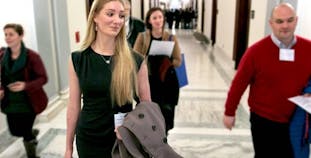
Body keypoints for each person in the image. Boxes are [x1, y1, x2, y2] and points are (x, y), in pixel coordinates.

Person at [223, 3, 311, 158]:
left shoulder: (308, 49)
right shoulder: (256, 51)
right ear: (271, 23)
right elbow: (239, 84)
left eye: (290, 20)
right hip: (264, 119)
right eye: (279, 21)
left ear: (296, 21)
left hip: (296, 120)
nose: (285, 25)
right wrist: (230, 112)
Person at [64, 0, 151, 157]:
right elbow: (73, 107)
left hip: (123, 140)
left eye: (121, 15)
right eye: (110, 14)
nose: (117, 21)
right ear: (95, 16)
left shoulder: (135, 60)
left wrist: (132, 126)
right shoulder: (78, 59)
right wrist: (68, 147)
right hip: (88, 140)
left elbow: (146, 107)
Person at [0, 23, 48, 158]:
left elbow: (43, 78)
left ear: (20, 36)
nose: (7, 38)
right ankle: (32, 134)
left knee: (25, 132)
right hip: (10, 102)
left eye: (11, 34)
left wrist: (25, 85)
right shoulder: (2, 55)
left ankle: (32, 153)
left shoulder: (32, 56)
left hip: (28, 102)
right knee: (15, 131)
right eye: (5, 34)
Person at [133, 7, 182, 134]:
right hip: (148, 81)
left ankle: (162, 141)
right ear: (149, 20)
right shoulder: (142, 37)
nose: (158, 20)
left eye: (160, 17)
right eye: (154, 18)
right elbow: (134, 58)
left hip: (166, 83)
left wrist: (167, 62)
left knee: (164, 117)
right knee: (147, 116)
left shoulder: (171, 38)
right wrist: (149, 58)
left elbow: (178, 60)